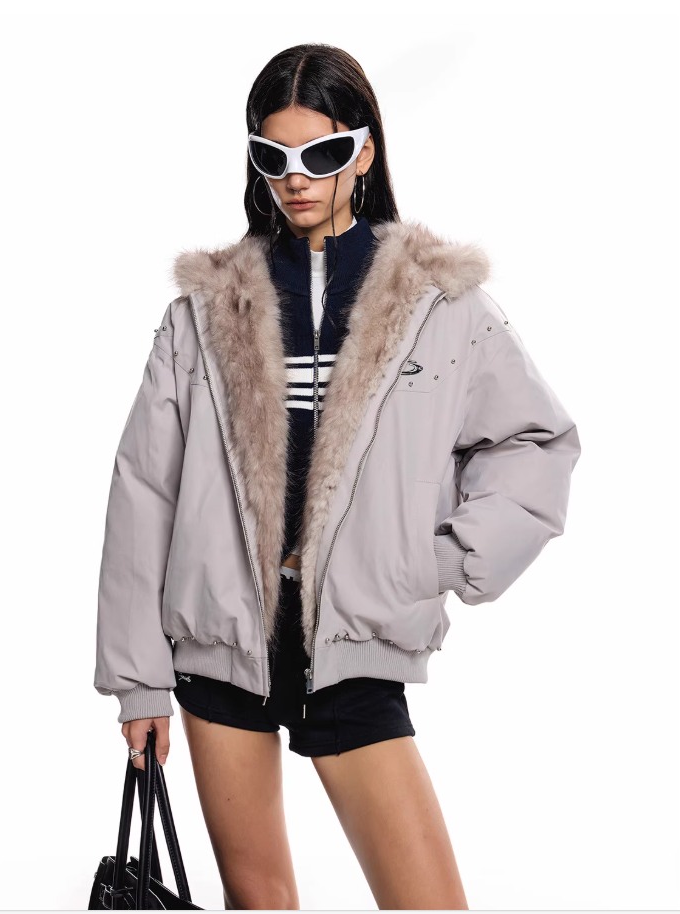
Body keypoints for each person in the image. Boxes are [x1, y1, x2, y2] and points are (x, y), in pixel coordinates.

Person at [94, 43, 581, 910]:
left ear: (362, 151)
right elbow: (144, 492)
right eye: (272, 155)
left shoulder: (440, 305)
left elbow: (534, 441)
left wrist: (439, 560)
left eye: (321, 153)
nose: (297, 178)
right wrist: (138, 680)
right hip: (219, 649)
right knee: (261, 903)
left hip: (356, 645)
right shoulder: (202, 313)